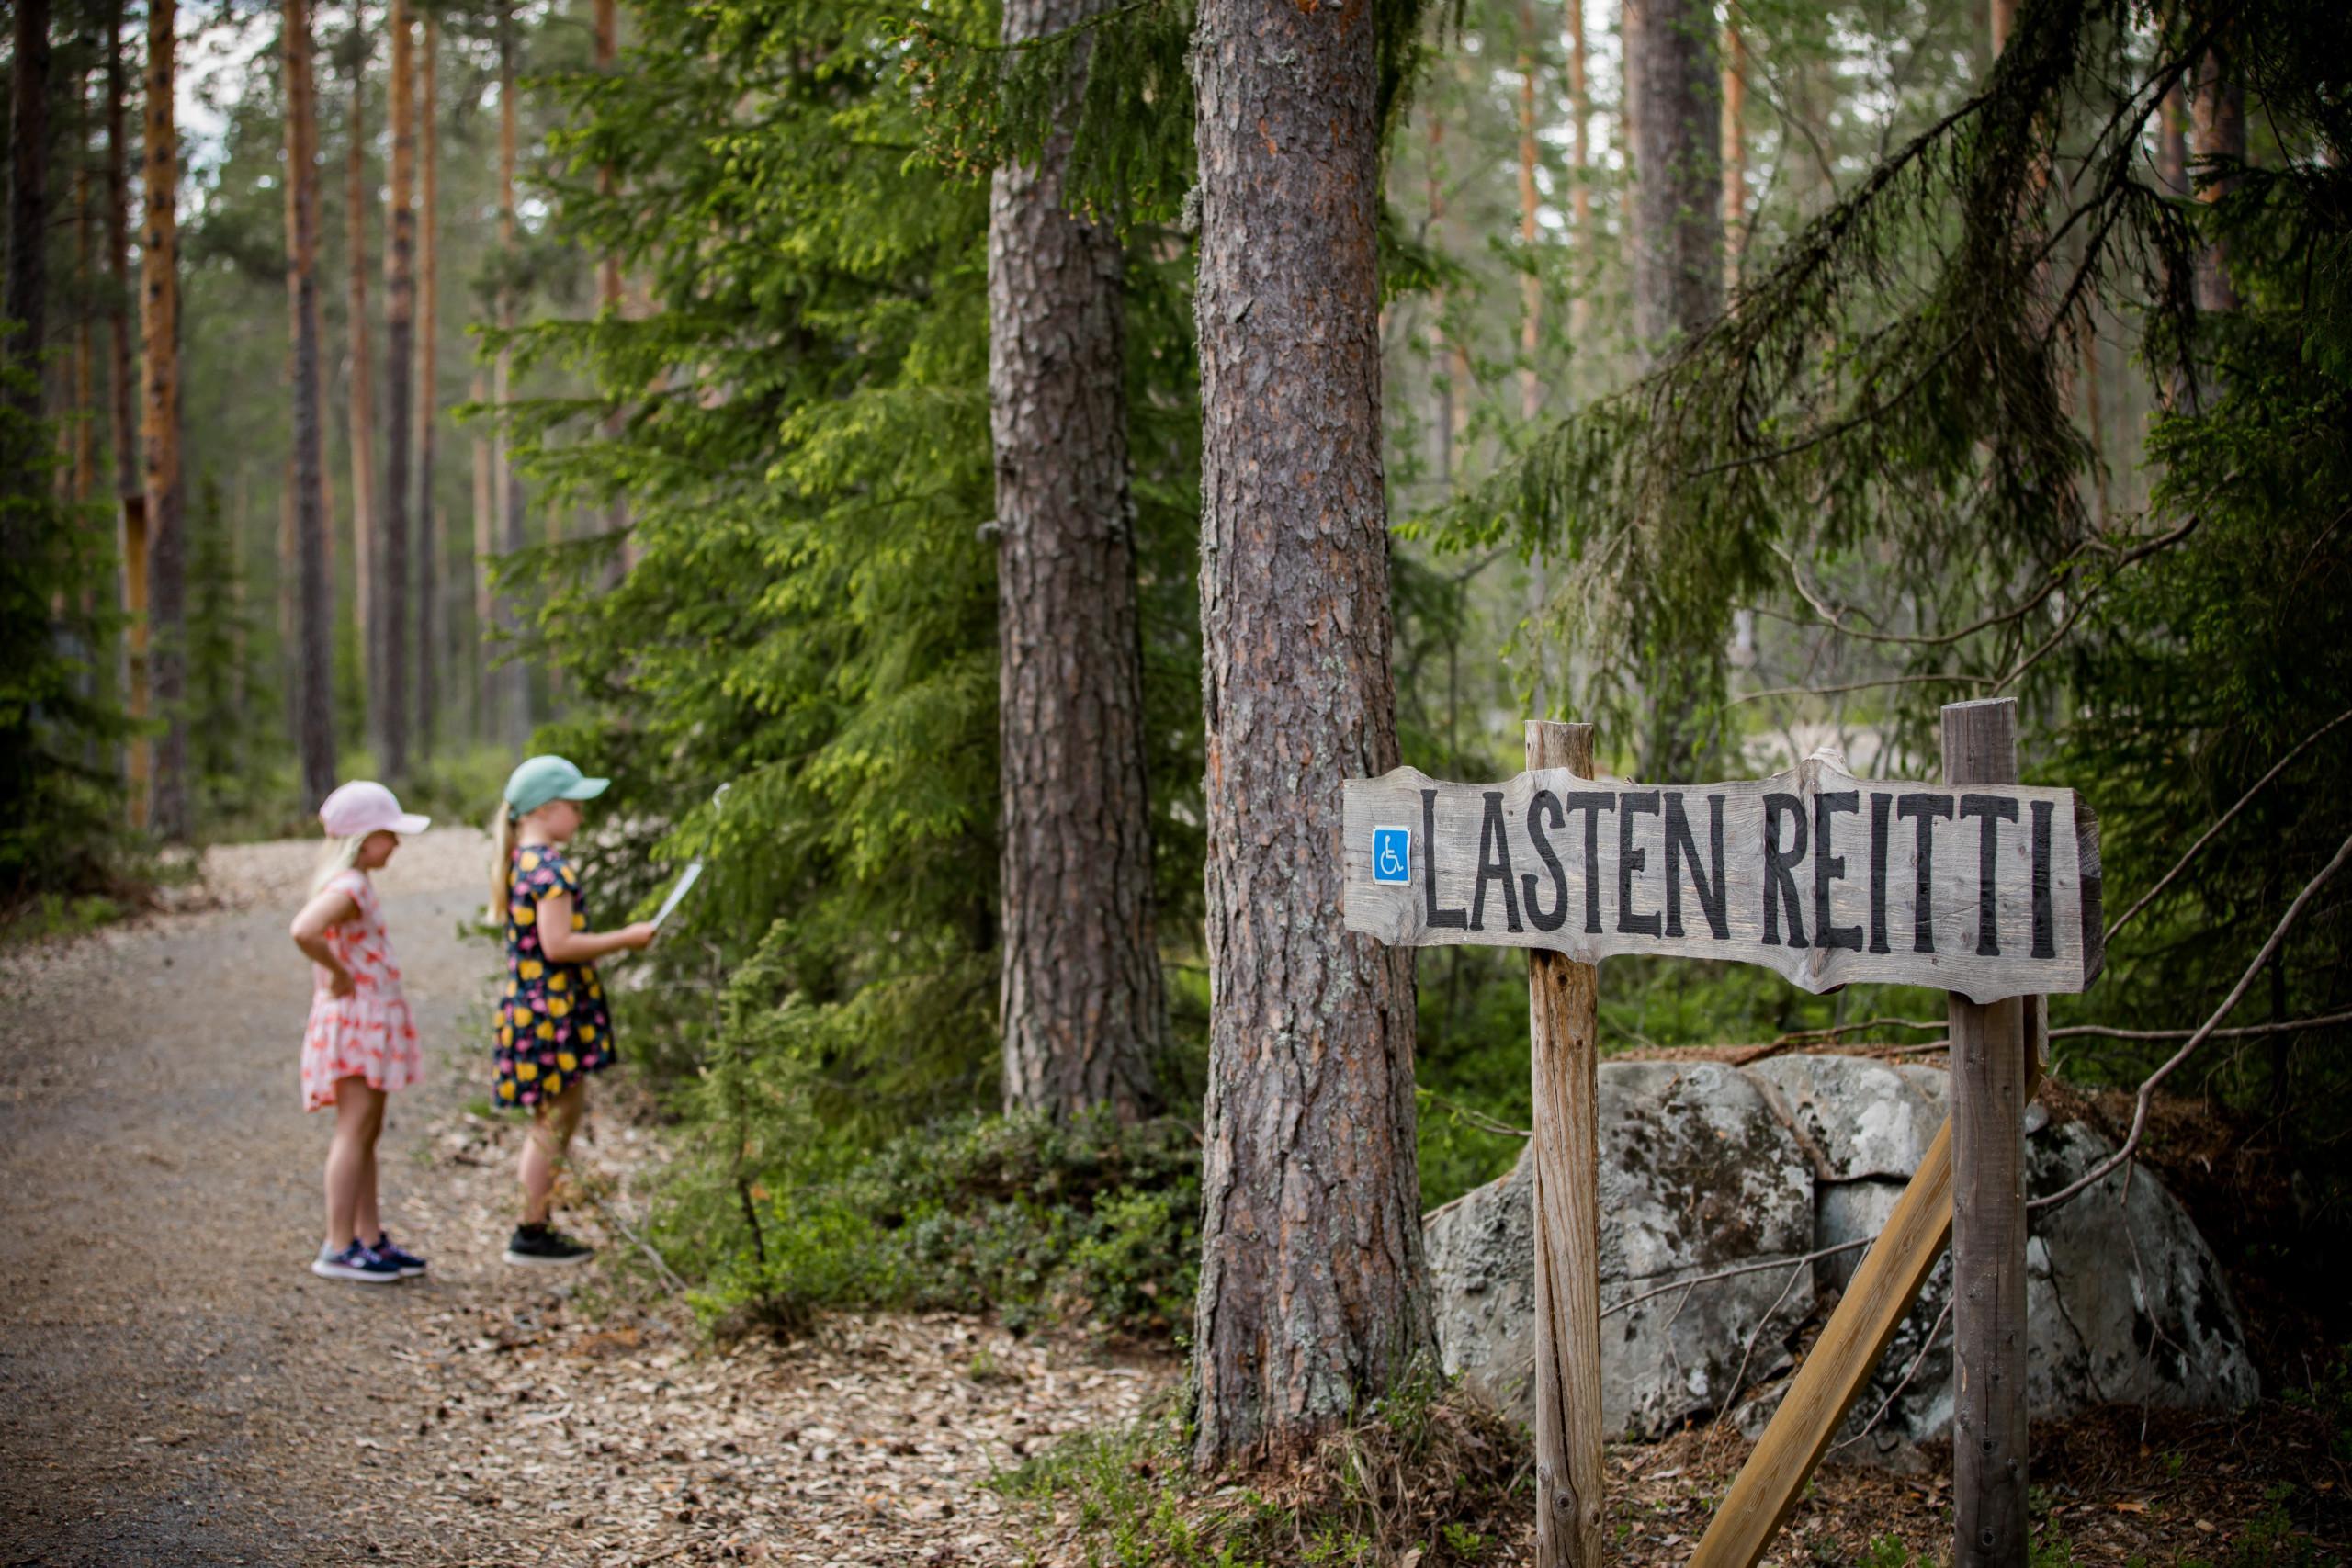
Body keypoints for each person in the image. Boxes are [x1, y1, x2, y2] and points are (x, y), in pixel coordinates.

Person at [489, 756, 656, 1266]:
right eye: (575, 807)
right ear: (546, 810)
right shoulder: (550, 868)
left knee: (557, 1114)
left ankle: (535, 1223)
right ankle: (531, 1229)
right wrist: (626, 939)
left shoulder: (523, 860)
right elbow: (557, 944)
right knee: (554, 1118)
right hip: (551, 1012)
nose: (581, 818)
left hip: (539, 1008)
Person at [290, 781, 432, 1284]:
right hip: (356, 1022)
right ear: (363, 838)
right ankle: (338, 1243)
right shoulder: (347, 886)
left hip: (368, 1021)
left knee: (367, 1131)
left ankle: (369, 1238)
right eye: (389, 835)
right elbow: (304, 930)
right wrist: (340, 971)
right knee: (354, 1131)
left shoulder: (356, 883)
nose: (395, 844)